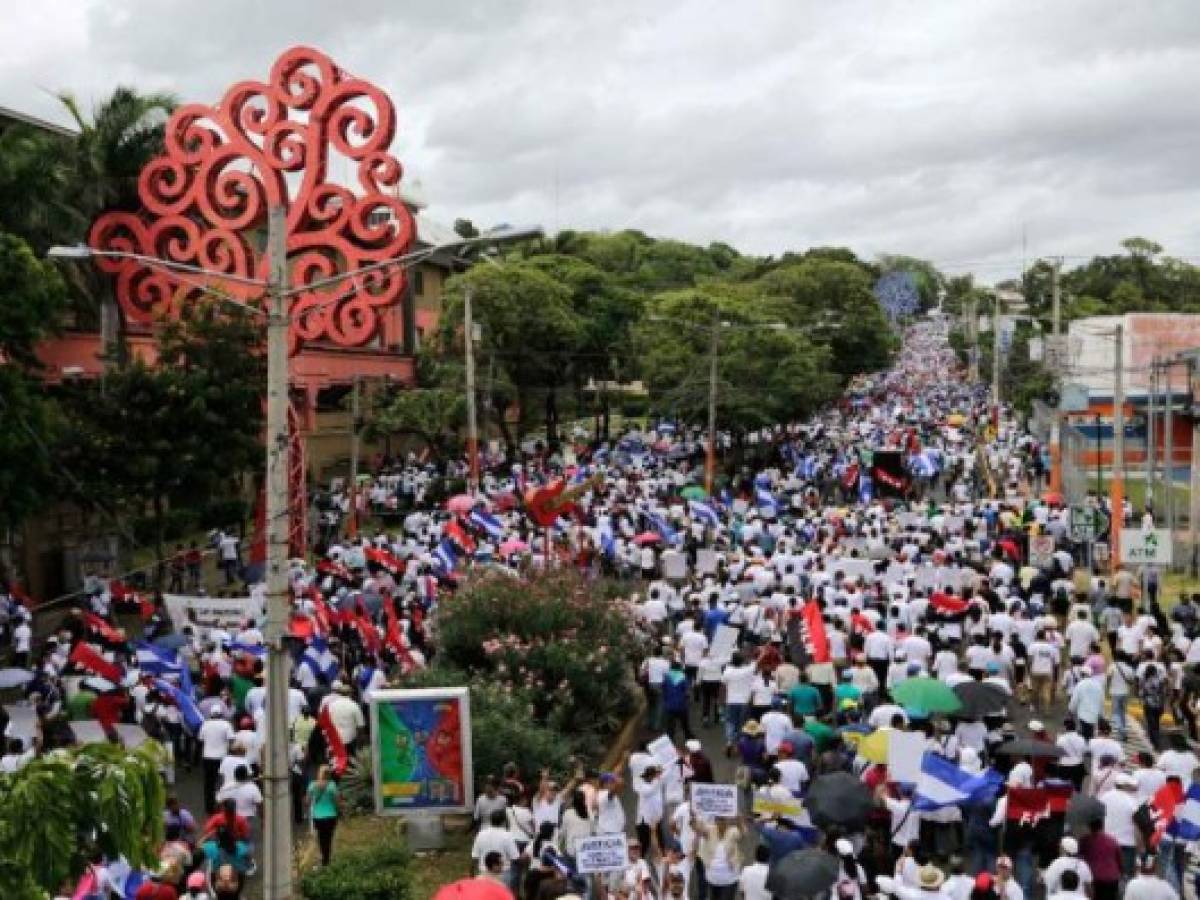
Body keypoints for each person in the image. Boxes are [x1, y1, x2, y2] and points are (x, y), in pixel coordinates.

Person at [306, 765, 340, 867]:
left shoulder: (312, 785)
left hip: (318, 817)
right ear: (329, 774)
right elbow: (337, 801)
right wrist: (338, 811)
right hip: (331, 816)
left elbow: (307, 801)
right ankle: (327, 859)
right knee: (329, 838)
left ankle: (324, 859)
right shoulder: (332, 785)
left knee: (321, 838)